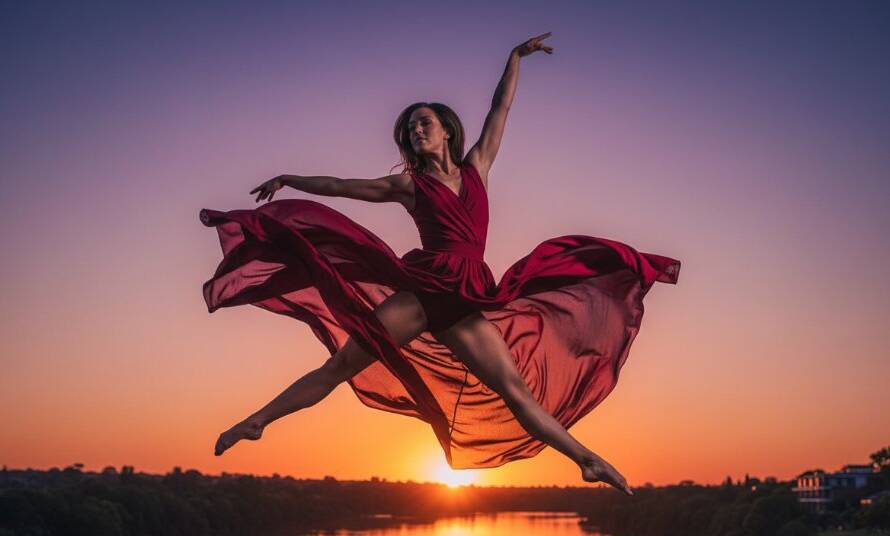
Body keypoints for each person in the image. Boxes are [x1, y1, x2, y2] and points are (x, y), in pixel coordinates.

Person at [199, 33, 680, 496]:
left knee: (515, 392)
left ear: (446, 129)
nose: (416, 130)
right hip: (424, 290)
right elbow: (342, 185)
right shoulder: (408, 187)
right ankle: (258, 420)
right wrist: (290, 178)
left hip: (467, 297)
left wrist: (515, 56)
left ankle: (585, 460)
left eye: (424, 122)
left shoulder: (477, 168)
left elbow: (500, 110)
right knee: (341, 365)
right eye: (411, 128)